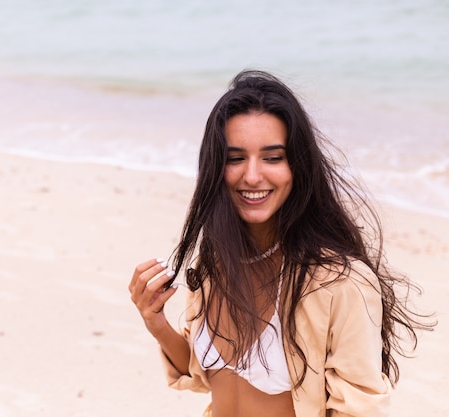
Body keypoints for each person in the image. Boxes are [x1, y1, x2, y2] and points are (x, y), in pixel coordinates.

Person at [128, 70, 433, 417]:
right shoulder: (215, 263)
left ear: (297, 167)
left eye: (273, 158)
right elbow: (209, 377)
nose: (253, 175)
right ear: (216, 166)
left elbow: (358, 410)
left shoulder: (339, 282)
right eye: (235, 158)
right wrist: (156, 322)